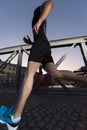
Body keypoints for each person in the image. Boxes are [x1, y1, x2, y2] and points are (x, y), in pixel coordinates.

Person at [0, 0, 87, 130]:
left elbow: (50, 3)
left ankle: (14, 117)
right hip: (43, 45)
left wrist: (40, 20)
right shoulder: (37, 17)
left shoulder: (37, 10)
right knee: (56, 73)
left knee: (29, 74)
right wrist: (30, 42)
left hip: (41, 44)